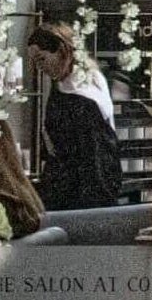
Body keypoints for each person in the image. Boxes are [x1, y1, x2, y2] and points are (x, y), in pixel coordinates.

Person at [26, 23, 122, 211]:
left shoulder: (83, 97)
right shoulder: (62, 85)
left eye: (41, 59)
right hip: (64, 179)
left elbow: (95, 160)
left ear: (62, 51)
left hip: (83, 189)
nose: (39, 67)